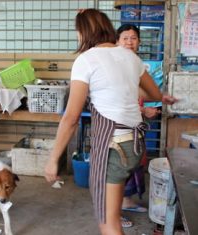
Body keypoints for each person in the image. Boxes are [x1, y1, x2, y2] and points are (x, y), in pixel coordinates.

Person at [44, 9, 177, 235]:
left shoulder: (86, 60)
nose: (77, 36)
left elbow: (71, 117)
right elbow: (155, 94)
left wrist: (53, 158)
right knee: (111, 219)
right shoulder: (130, 57)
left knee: (109, 225)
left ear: (84, 32)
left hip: (114, 149)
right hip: (134, 144)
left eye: (78, 31)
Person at [116, 23, 161, 228]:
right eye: (125, 38)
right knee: (118, 170)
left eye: (133, 38)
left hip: (133, 125)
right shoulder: (115, 64)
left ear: (139, 42)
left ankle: (125, 201)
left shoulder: (136, 63)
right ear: (117, 41)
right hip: (117, 128)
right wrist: (144, 111)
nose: (129, 42)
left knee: (133, 166)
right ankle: (113, 214)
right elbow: (118, 100)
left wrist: (148, 107)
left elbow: (140, 93)